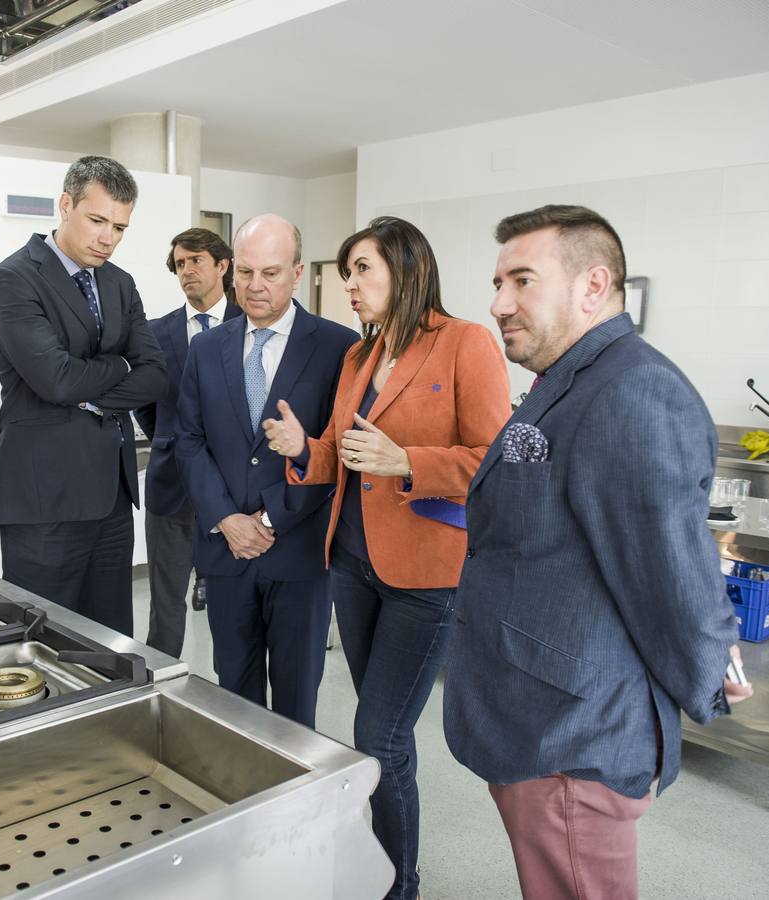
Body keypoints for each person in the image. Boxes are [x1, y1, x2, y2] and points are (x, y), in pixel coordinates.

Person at [442, 205, 754, 899]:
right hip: (532, 705)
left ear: (593, 285)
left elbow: (666, 566)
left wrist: (712, 666)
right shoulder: (571, 376)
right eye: (498, 282)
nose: (498, 303)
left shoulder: (634, 390)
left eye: (522, 281)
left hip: (574, 732)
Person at [263, 216, 511, 900]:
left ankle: (400, 885)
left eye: (362, 270)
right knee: (384, 737)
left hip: (424, 576)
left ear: (406, 269)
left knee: (379, 733)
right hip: (353, 563)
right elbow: (339, 458)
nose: (350, 286)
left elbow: (495, 461)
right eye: (346, 274)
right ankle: (380, 864)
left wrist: (409, 461)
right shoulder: (358, 359)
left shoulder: (465, 344)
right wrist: (301, 451)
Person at [175, 214, 356, 728]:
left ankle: (296, 806)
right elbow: (189, 440)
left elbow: (336, 449)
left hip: (297, 553)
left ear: (298, 273)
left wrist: (271, 519)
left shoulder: (338, 348)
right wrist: (227, 519)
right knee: (235, 693)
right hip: (226, 552)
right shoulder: (206, 347)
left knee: (297, 700)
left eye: (271, 273)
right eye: (246, 272)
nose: (256, 287)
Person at [0, 156, 166, 636]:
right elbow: (57, 380)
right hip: (47, 497)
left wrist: (97, 393)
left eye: (120, 228)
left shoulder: (119, 283)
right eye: (98, 220)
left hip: (111, 495)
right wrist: (121, 364)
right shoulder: (14, 278)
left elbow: (155, 374)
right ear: (65, 206)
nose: (108, 237)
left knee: (111, 639)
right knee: (45, 638)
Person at [134, 227, 241, 658]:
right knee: (164, 603)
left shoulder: (249, 324)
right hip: (171, 482)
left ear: (222, 265)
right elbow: (146, 403)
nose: (187, 270)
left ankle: (235, 698)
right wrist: (167, 436)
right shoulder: (156, 333)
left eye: (196, 259)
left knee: (236, 609)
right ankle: (160, 683)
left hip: (235, 488)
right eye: (180, 264)